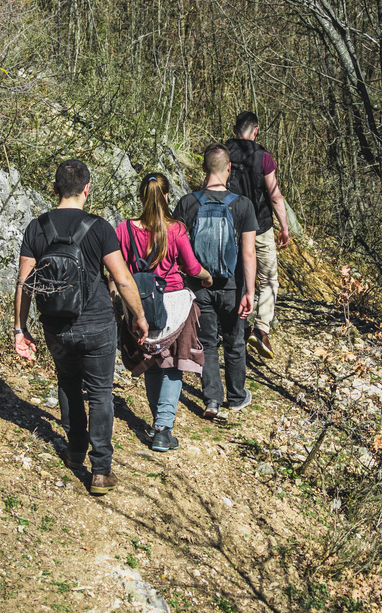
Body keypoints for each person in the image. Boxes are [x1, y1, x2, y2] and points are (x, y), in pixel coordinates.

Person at [14, 159, 148, 496]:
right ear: (87, 188)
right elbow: (122, 279)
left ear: (55, 188)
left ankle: (75, 450)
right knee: (100, 393)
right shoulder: (99, 227)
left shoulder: (37, 227)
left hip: (56, 326)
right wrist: (139, 317)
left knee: (68, 383)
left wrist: (20, 328)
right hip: (97, 324)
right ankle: (100, 470)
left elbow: (24, 283)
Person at [113, 173, 213, 452]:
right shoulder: (176, 230)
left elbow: (116, 269)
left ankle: (159, 424)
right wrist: (207, 277)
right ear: (167, 197)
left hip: (140, 304)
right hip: (173, 306)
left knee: (152, 362)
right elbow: (192, 268)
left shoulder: (124, 229)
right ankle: (163, 428)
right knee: (173, 364)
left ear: (140, 197)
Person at [174, 144, 258, 419]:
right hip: (233, 286)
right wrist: (250, 291)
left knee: (208, 343)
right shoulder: (243, 204)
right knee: (235, 341)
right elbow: (248, 252)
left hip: (200, 284)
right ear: (229, 168)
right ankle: (236, 397)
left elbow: (176, 248)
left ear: (203, 168)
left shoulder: (187, 203)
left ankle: (212, 400)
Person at [226, 111, 290, 359]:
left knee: (238, 275)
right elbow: (274, 195)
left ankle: (238, 324)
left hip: (230, 225)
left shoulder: (222, 153)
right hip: (261, 225)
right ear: (255, 131)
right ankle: (261, 329)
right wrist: (284, 227)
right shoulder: (264, 158)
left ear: (235, 130)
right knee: (268, 278)